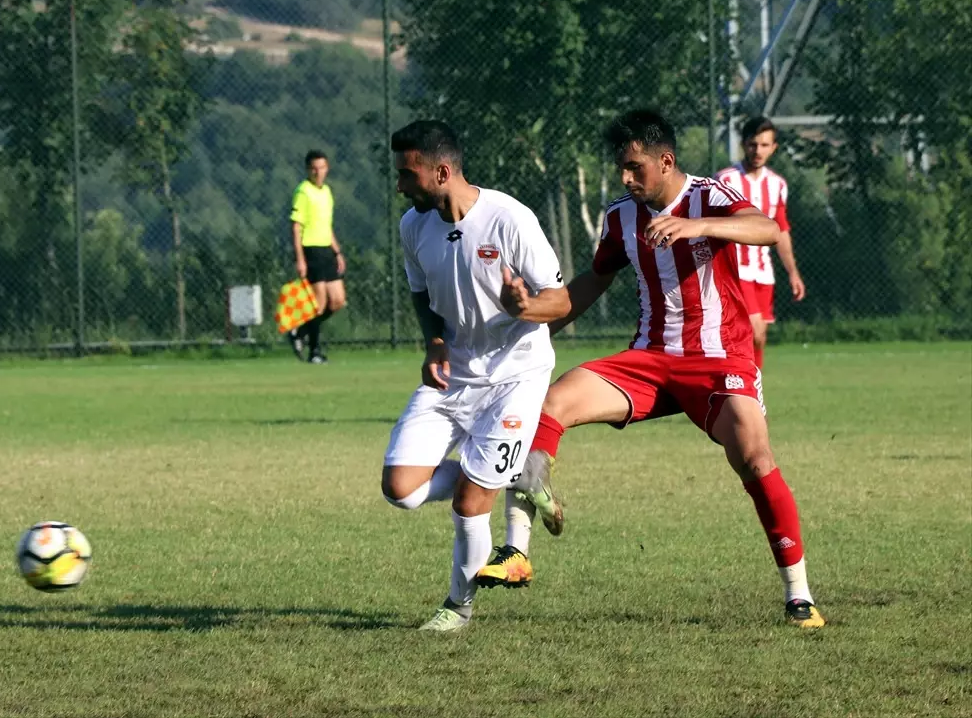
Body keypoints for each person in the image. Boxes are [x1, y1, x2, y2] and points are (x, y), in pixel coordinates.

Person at [495, 110, 824, 628]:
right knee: (551, 402)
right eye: (620, 169)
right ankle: (515, 550)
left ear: (665, 161)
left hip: (720, 359)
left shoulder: (707, 195)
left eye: (633, 168)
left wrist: (698, 226)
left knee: (755, 457)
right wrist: (529, 314)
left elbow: (763, 228)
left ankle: (798, 595)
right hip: (649, 360)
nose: (625, 179)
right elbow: (589, 285)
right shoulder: (621, 217)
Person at [380, 120, 570, 632]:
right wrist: (435, 341)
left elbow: (563, 299)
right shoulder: (412, 226)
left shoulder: (509, 219)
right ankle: (518, 472)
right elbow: (421, 294)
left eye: (406, 174)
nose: (399, 185)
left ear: (442, 171)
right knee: (399, 489)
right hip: (456, 376)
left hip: (516, 375)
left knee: (470, 499)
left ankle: (457, 606)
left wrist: (526, 304)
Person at [714, 117, 806, 370]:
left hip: (762, 272)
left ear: (774, 147)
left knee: (759, 337)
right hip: (734, 269)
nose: (758, 151)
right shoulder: (726, 180)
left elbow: (781, 231)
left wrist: (793, 272)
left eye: (765, 145)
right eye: (754, 144)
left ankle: (750, 393)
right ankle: (737, 393)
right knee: (752, 332)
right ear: (744, 144)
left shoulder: (777, 185)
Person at [287, 150, 346, 364]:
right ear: (307, 169)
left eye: (321, 167)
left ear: (327, 168)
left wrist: (337, 251)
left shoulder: (327, 192)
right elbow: (296, 227)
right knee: (318, 304)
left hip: (326, 251)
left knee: (337, 301)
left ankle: (299, 332)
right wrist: (300, 258)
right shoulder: (303, 191)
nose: (317, 172)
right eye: (313, 168)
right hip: (311, 250)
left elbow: (326, 225)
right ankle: (315, 352)